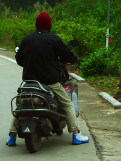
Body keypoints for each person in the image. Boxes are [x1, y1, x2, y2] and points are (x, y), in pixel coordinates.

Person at [8, 12, 90, 146]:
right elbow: (67, 55)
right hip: (50, 83)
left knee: (21, 106)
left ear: (36, 24)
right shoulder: (54, 39)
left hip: (30, 83)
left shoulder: (27, 39)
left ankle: (11, 136)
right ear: (49, 25)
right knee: (68, 105)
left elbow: (19, 59)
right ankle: (76, 134)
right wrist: (73, 58)